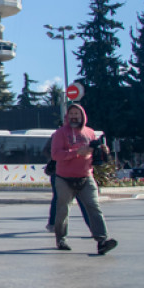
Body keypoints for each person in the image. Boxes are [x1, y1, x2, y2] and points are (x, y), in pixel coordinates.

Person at [50, 104, 117, 254]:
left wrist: (102, 151)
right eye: (72, 114)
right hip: (64, 178)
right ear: (67, 116)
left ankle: (102, 241)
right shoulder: (60, 134)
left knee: (94, 207)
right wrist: (76, 152)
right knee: (63, 210)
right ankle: (61, 239)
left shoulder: (90, 133)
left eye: (77, 114)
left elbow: (95, 155)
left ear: (83, 116)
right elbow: (55, 155)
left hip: (86, 176)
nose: (74, 116)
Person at [42, 138, 89, 232]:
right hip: (61, 171)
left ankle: (53, 224)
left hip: (74, 172)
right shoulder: (58, 135)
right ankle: (54, 225)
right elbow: (47, 151)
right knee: (60, 199)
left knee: (80, 200)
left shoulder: (81, 135)